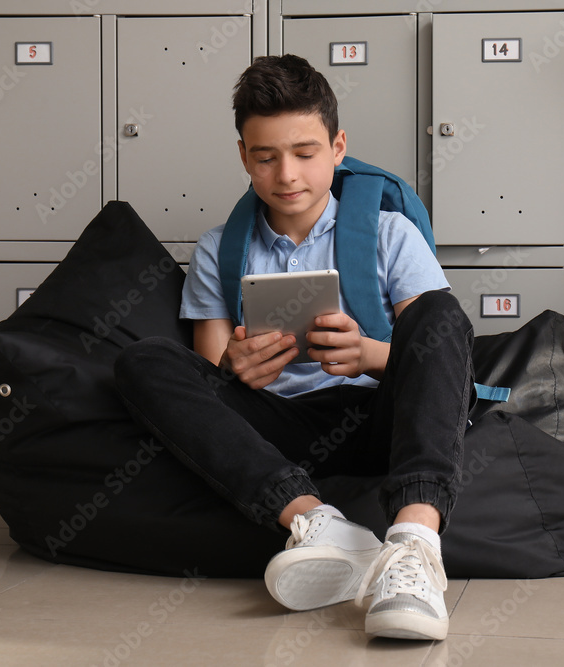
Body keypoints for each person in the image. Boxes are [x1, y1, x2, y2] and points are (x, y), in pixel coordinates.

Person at [114, 54, 475, 641]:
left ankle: (413, 546)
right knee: (143, 361)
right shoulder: (218, 250)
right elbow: (204, 382)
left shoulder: (391, 234)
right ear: (243, 157)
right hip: (275, 428)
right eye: (266, 157)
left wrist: (368, 355)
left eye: (305, 153)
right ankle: (319, 525)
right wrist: (234, 368)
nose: (286, 174)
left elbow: (440, 355)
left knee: (440, 311)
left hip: (377, 420)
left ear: (338, 148)